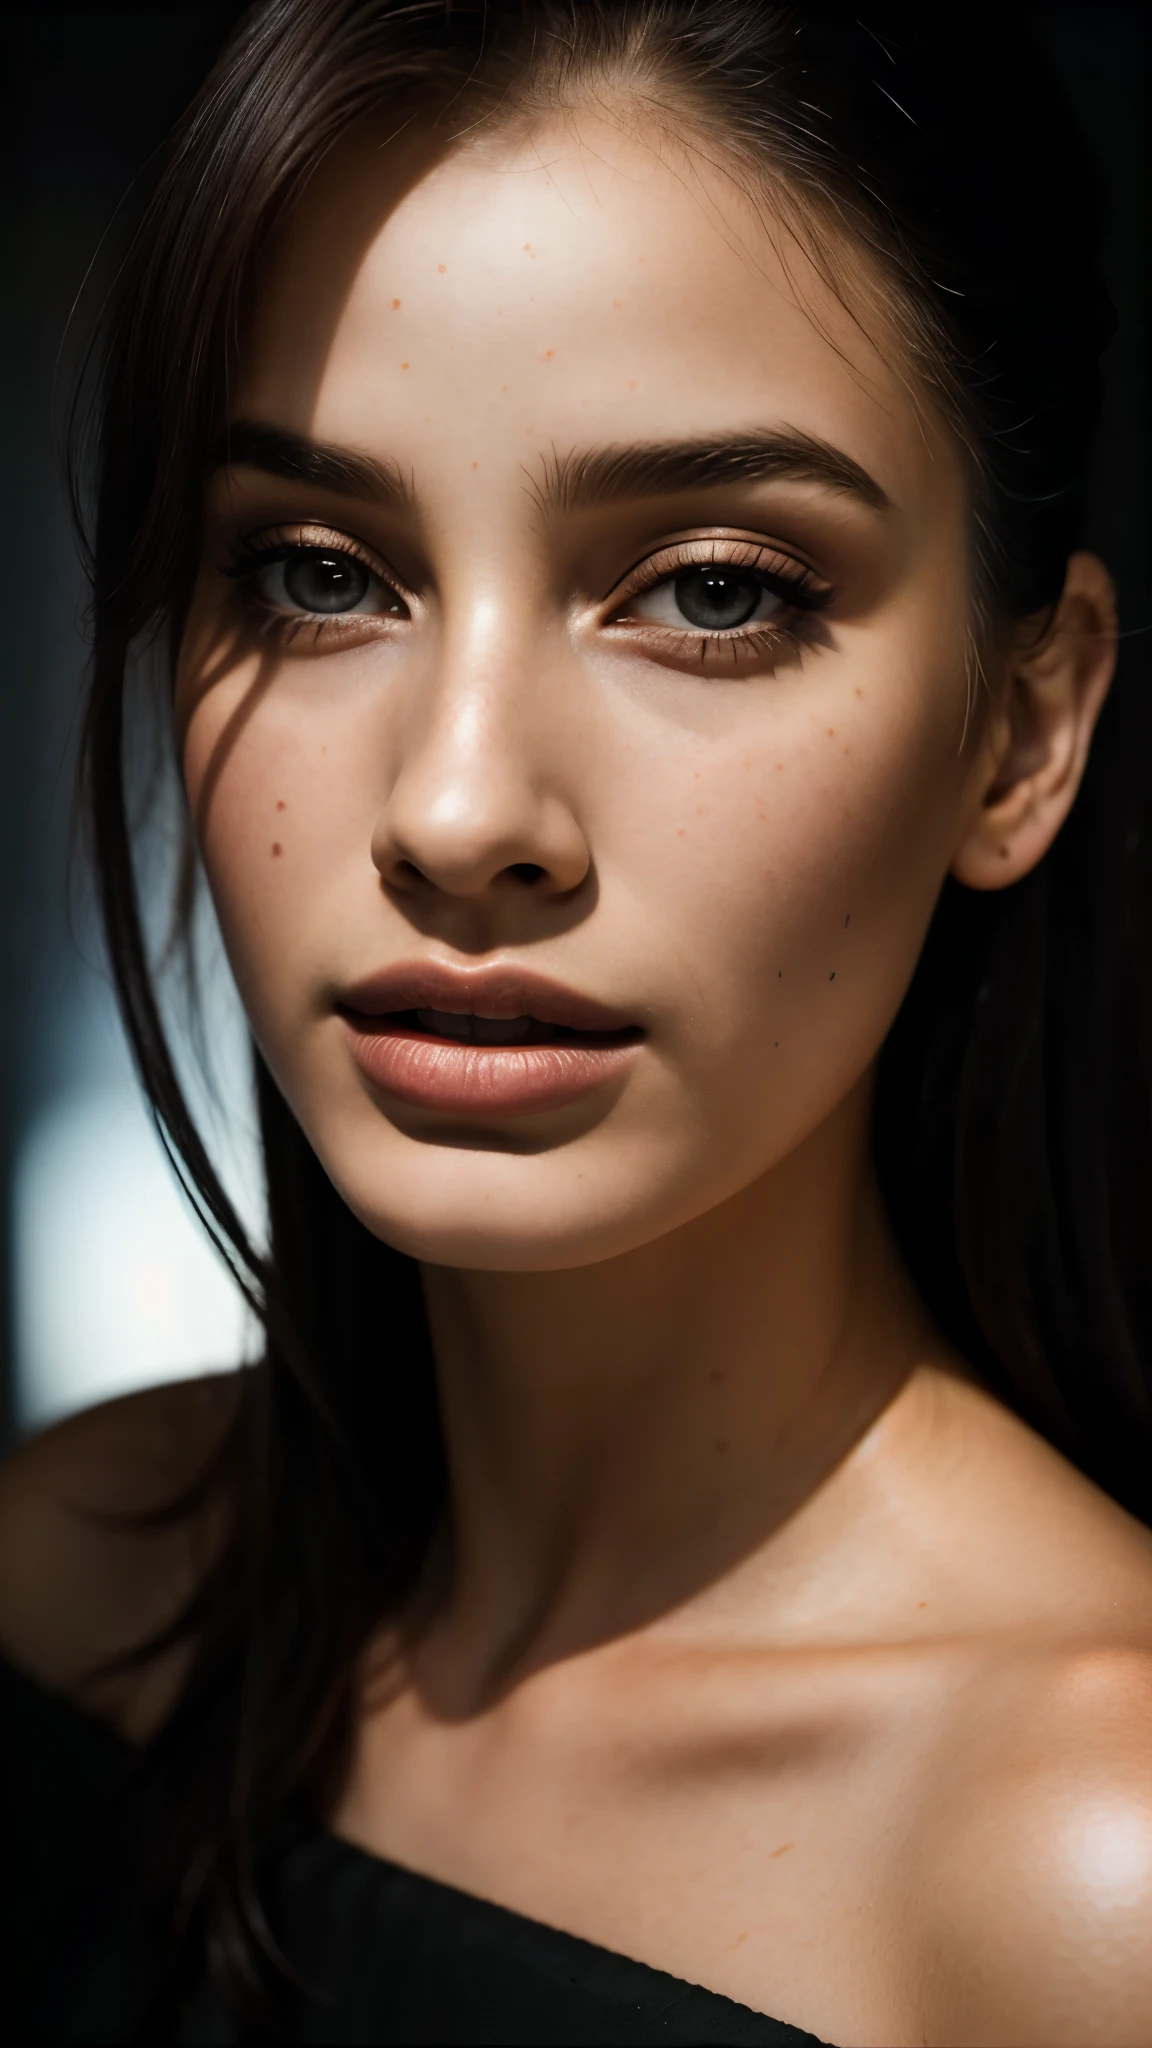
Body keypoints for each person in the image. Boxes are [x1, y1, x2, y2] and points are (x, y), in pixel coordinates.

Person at [2, 4, 1151, 2042]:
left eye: (713, 592)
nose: (461, 811)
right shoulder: (77, 1590)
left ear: (1022, 724)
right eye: (319, 572)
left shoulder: (1093, 1864)